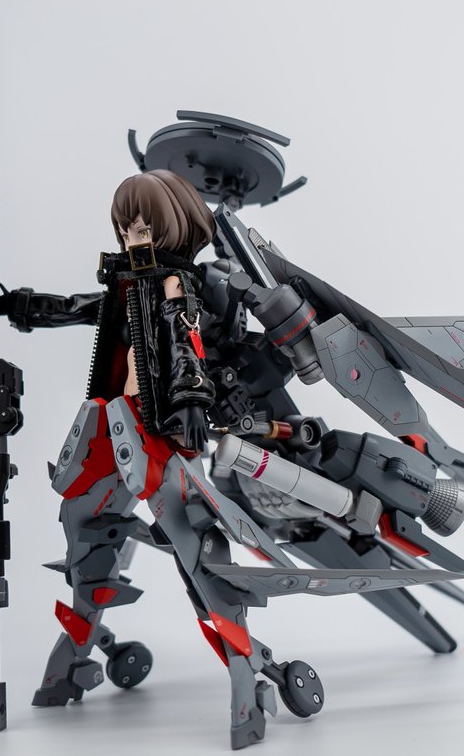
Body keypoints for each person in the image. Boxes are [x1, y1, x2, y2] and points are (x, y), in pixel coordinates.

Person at [30, 170, 304, 749]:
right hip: (109, 422)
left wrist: (191, 400)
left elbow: (185, 343)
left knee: (198, 557)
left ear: (170, 226)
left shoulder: (179, 283)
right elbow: (86, 309)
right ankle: (73, 657)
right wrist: (25, 306)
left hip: (157, 431)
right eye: (125, 225)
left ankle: (247, 678)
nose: (131, 234)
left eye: (143, 225)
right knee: (83, 533)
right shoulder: (126, 281)